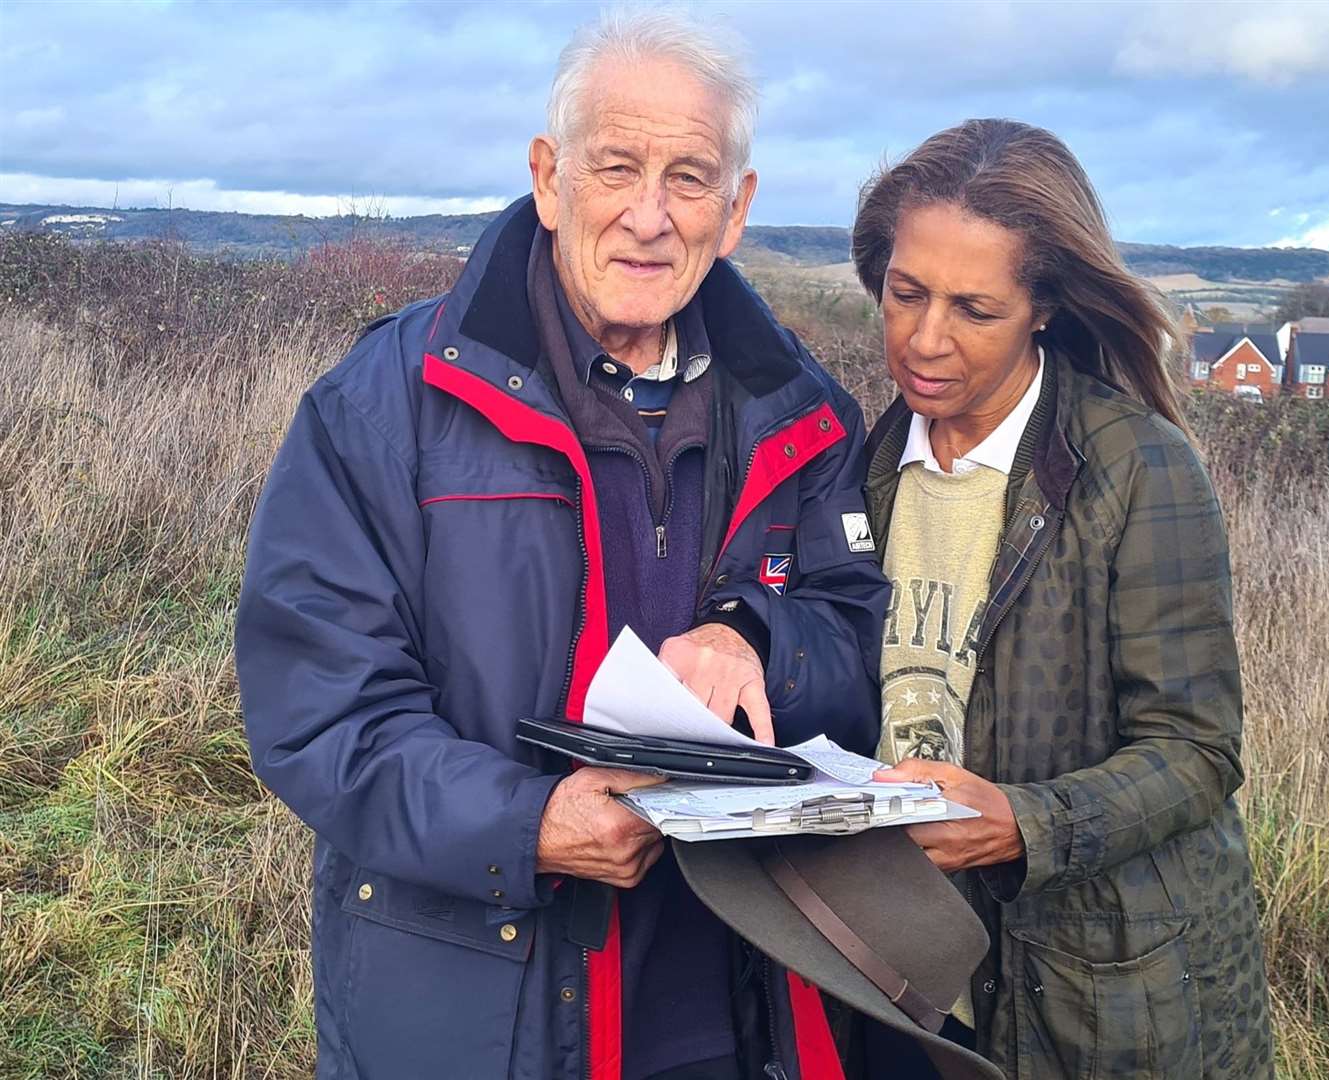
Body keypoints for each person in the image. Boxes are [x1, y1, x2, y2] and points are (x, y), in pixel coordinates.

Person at [234, 11, 887, 1080]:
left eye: (689, 177)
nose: (649, 214)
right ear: (548, 178)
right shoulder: (383, 406)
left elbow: (858, 635)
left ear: (738, 209)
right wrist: (528, 822)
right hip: (481, 1011)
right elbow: (319, 708)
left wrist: (752, 638)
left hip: (743, 1006)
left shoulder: (800, 411)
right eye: (615, 166)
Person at [854, 120, 1274, 1078]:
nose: (925, 339)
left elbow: (1196, 752)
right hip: (902, 979)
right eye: (904, 293)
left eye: (974, 309)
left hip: (1087, 995)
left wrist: (1022, 822)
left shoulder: (1136, 471)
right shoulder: (860, 469)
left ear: (1043, 307)